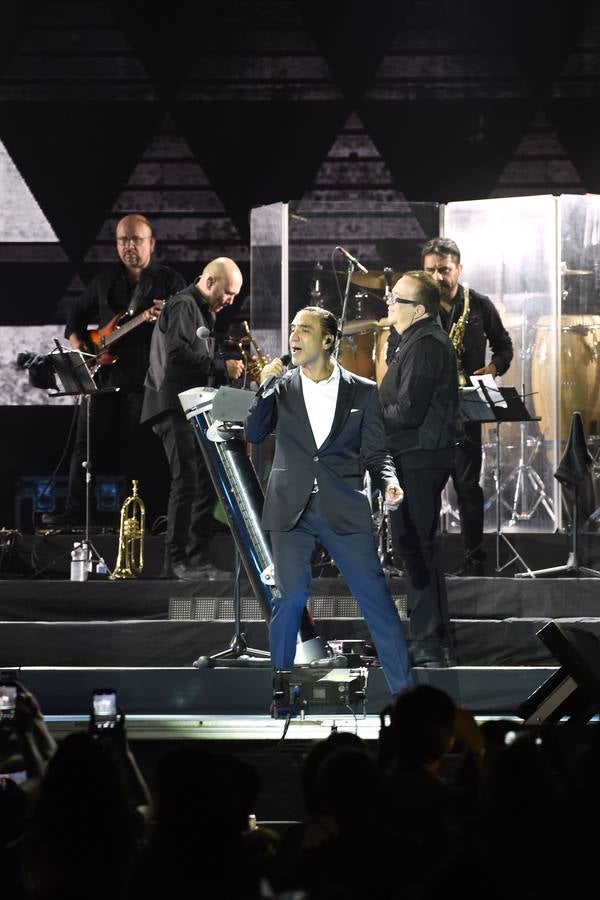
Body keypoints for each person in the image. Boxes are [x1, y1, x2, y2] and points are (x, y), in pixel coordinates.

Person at [244, 305, 412, 705]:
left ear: (328, 340)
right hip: (291, 510)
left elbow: (377, 453)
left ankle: (406, 698)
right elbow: (253, 430)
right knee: (290, 599)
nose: (294, 337)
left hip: (343, 510)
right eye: (292, 330)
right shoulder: (281, 387)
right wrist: (264, 387)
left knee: (377, 601)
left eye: (304, 329)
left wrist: (389, 482)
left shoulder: (364, 390)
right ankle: (280, 695)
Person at [43, 214, 185, 527]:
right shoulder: (104, 280)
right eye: (123, 239)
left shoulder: (169, 281)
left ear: (152, 243)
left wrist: (167, 316)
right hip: (105, 376)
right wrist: (83, 349)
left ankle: (144, 518)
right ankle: (74, 512)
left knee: (142, 448)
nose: (129, 246)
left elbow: (186, 324)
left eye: (136, 239)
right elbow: (75, 319)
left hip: (146, 379)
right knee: (85, 444)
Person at [141, 257, 245, 580]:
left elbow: (193, 355)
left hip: (191, 406)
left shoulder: (201, 312)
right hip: (173, 405)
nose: (231, 301)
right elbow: (177, 356)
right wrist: (220, 367)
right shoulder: (185, 305)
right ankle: (175, 562)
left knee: (206, 481)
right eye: (228, 293)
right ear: (210, 282)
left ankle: (197, 558)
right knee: (187, 481)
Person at [379, 271, 459, 668]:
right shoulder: (412, 339)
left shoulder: (426, 344)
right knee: (414, 545)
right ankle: (434, 638)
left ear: (420, 309)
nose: (389, 303)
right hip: (415, 454)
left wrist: (368, 417)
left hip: (420, 456)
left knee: (415, 546)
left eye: (397, 299)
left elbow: (408, 410)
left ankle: (430, 642)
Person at [422, 237, 513, 575]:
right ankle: (425, 563)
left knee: (468, 490)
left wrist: (493, 368)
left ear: (459, 269)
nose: (436, 278)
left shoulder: (479, 305)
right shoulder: (416, 305)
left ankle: (475, 563)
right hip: (428, 411)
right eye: (430, 270)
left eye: (444, 270)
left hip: (467, 409)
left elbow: (504, 346)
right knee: (427, 490)